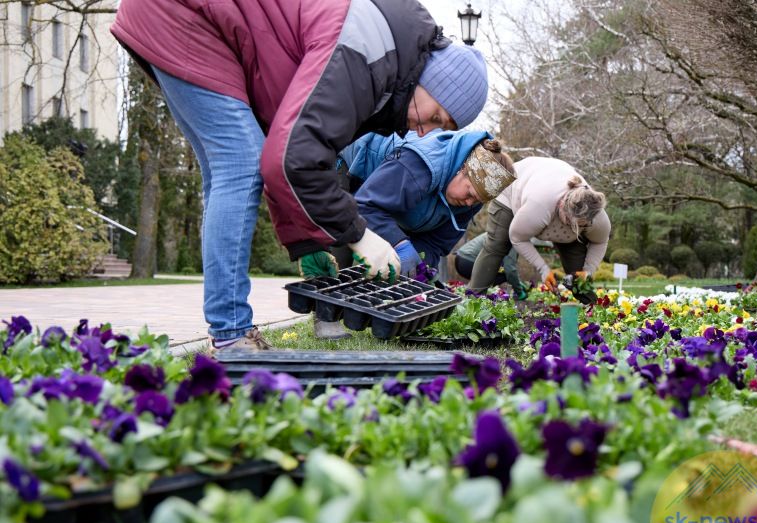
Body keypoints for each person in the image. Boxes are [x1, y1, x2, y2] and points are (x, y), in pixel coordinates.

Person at [111, 0, 490, 351]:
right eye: (437, 116)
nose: (425, 131)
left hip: (199, 22)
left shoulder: (384, 71)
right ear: (432, 81)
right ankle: (230, 335)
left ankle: (231, 331)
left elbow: (288, 150)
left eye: (442, 128)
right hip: (186, 15)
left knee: (233, 167)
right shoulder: (368, 56)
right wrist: (358, 235)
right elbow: (293, 161)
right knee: (238, 165)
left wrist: (308, 242)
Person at [341, 129, 516, 277]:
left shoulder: (470, 201)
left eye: (477, 200)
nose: (469, 203)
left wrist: (420, 269)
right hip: (352, 166)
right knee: (340, 252)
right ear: (462, 169)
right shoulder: (420, 165)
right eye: (469, 192)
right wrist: (400, 244)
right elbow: (364, 207)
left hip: (388, 204)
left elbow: (435, 244)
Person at [468, 157, 610, 299]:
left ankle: (592, 312)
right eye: (570, 224)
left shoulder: (596, 214)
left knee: (579, 277)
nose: (574, 229)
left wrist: (588, 271)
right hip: (513, 189)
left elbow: (600, 241)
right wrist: (543, 269)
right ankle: (472, 302)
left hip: (548, 184)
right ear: (562, 207)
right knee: (498, 245)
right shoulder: (539, 206)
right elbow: (517, 238)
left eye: (581, 226)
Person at [454, 233, 527, 299]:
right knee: (504, 276)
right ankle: (479, 296)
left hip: (460, 258)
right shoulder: (514, 239)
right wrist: (519, 291)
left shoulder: (501, 231)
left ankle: (474, 294)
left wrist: (517, 282)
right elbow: (510, 269)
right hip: (469, 261)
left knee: (499, 273)